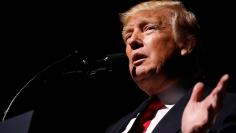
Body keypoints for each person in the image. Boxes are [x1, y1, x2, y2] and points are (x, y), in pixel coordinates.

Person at [106, 0, 236, 133]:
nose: (132, 41)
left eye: (149, 28)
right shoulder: (114, 129)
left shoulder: (226, 109)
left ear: (186, 43)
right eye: (128, 36)